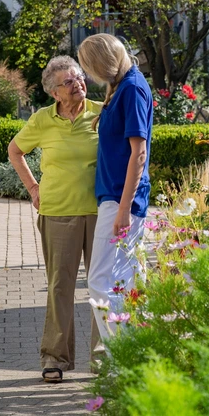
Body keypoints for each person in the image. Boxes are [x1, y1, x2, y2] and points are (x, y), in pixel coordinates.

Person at [8, 56, 102, 383]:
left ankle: (103, 359)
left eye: (79, 77)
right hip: (58, 211)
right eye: (68, 81)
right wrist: (34, 189)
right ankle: (54, 358)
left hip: (100, 211)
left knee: (102, 287)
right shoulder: (42, 120)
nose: (77, 84)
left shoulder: (102, 112)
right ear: (54, 93)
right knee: (59, 286)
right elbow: (15, 151)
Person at [77, 34, 153, 343]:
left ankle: (122, 355)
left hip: (121, 199)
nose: (89, 75)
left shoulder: (131, 89)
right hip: (117, 197)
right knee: (123, 280)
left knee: (100, 281)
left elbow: (139, 152)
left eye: (90, 68)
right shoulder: (122, 86)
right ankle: (130, 356)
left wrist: (123, 210)